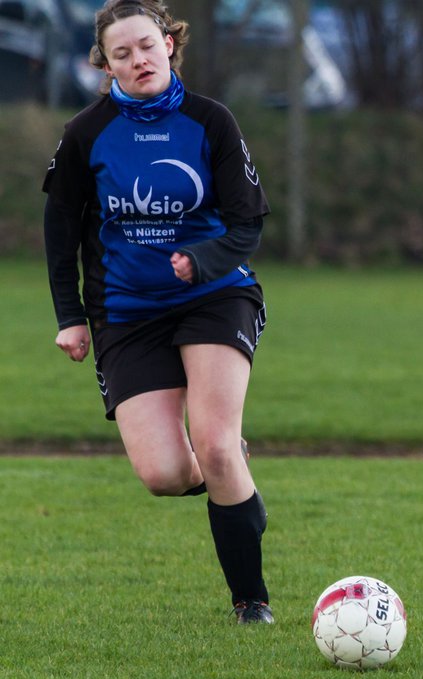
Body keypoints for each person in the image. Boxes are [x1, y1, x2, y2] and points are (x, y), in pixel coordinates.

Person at [43, 0, 273, 624]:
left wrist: (204, 260)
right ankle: (234, 481)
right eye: (122, 53)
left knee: (217, 445)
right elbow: (61, 234)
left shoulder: (210, 121)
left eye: (147, 45)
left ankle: (251, 603)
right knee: (166, 473)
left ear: (169, 43)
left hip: (215, 295)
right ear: (106, 64)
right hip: (126, 311)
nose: (138, 59)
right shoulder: (86, 133)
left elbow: (248, 221)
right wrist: (70, 316)